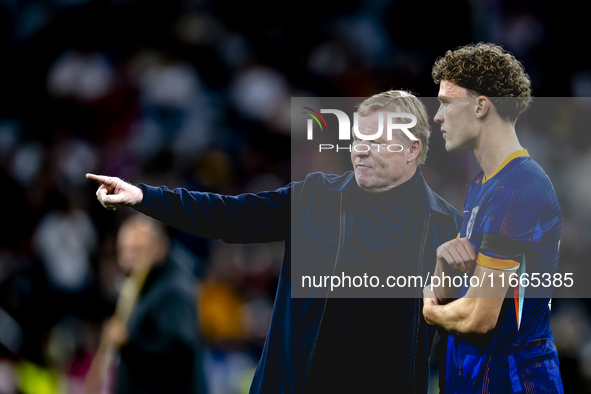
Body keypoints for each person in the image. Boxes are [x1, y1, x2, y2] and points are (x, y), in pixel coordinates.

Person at [87, 90, 462, 393]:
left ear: (412, 149)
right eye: (357, 138)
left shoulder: (447, 226)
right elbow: (229, 216)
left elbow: (465, 328)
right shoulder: (316, 196)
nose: (360, 149)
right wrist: (144, 197)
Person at [422, 43, 564, 393]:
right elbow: (457, 292)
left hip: (512, 381)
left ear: (481, 106)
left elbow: (478, 317)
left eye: (446, 102)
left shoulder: (515, 192)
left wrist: (430, 311)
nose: (437, 116)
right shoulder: (485, 184)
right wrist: (441, 265)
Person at [101, 214, 205, 394]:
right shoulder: (141, 283)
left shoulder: (174, 291)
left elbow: (178, 356)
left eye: (137, 250)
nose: (127, 259)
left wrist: (128, 345)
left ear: (160, 248)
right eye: (123, 250)